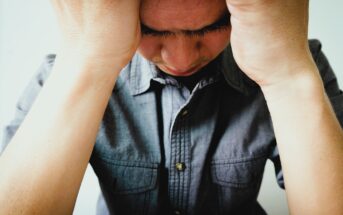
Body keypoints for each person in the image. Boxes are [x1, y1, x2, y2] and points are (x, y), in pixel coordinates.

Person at [0, 0, 342, 214]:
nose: (180, 59)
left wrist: (287, 76)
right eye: (152, 32)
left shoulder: (296, 65)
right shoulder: (66, 75)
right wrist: (86, 62)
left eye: (212, 28)